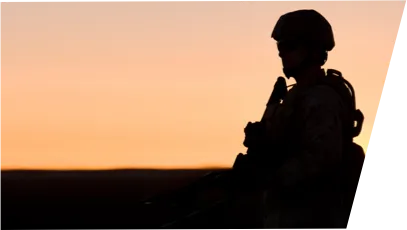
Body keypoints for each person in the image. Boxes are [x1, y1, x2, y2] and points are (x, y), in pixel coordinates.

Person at [243, 9, 365, 230]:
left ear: (312, 50)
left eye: (289, 46)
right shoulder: (296, 96)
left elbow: (321, 160)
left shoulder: (321, 99)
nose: (281, 53)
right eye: (279, 47)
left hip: (312, 220)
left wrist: (269, 175)